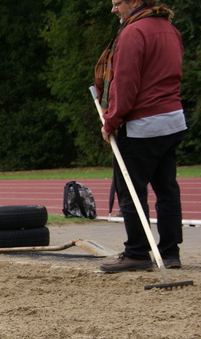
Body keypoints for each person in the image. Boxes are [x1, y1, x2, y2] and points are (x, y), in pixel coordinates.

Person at [95, 0, 186, 272]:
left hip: (142, 125)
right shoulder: (170, 29)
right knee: (167, 190)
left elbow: (125, 83)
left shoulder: (133, 33)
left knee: (130, 192)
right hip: (171, 120)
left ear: (134, 2)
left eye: (117, 3)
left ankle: (137, 252)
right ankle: (170, 252)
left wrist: (110, 121)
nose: (113, 10)